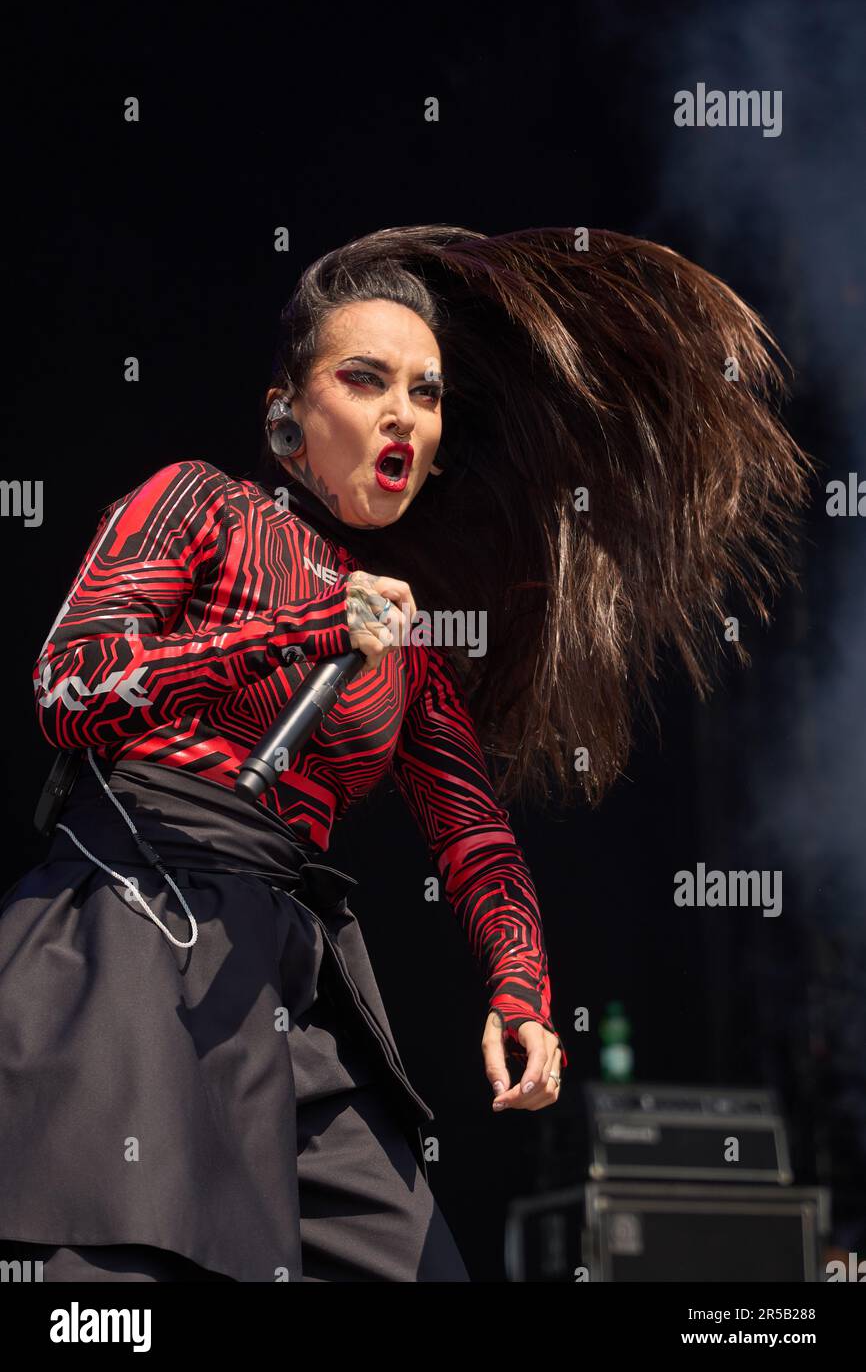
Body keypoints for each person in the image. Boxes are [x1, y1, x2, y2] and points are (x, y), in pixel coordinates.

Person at [0, 224, 811, 1282]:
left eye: (425, 394)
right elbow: (70, 680)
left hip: (283, 973)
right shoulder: (198, 502)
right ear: (287, 416)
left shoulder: (400, 639)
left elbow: (475, 837)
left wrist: (521, 990)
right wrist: (302, 631)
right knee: (113, 1282)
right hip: (129, 928)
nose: (402, 413)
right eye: (365, 378)